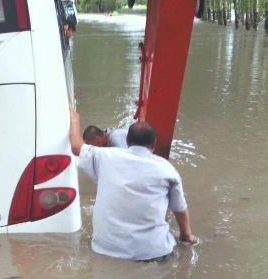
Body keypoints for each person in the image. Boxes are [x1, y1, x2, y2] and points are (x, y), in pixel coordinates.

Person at [70, 106, 196, 261]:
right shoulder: (167, 170)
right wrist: (186, 235)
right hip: (153, 254)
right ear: (154, 144)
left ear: (127, 141)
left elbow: (76, 146)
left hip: (104, 249)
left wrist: (75, 118)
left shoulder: (104, 156)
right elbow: (180, 209)